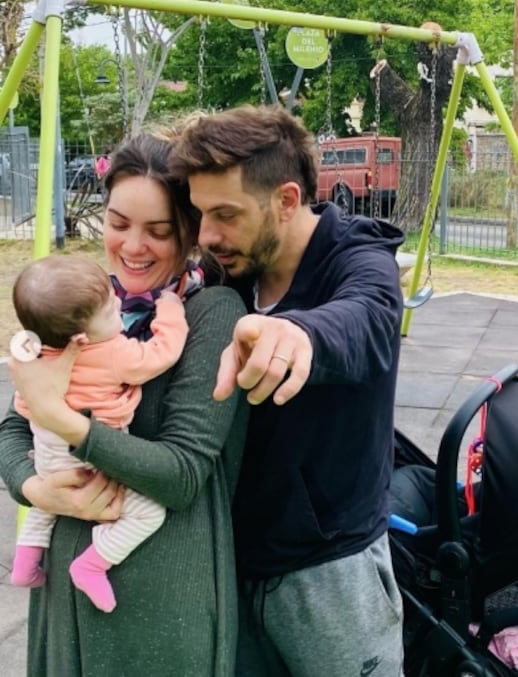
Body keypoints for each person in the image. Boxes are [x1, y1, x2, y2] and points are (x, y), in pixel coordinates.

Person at [168, 104, 406, 677]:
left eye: (225, 214)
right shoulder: (231, 268)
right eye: (201, 214)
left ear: (288, 200)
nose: (207, 236)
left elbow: (368, 320)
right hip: (231, 558)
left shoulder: (358, 259)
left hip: (328, 571)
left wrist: (298, 331)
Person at [0, 133, 249, 676]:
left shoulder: (208, 315)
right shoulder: (78, 307)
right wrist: (32, 485)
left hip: (158, 596)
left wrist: (63, 421)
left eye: (158, 232)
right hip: (65, 582)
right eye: (117, 224)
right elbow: (12, 428)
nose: (133, 246)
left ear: (188, 233)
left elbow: (182, 475)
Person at [10, 255, 188, 614]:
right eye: (110, 312)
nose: (120, 305)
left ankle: (25, 562)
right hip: (93, 454)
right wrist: (170, 309)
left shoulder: (39, 357)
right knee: (147, 513)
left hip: (45, 449)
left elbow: (22, 404)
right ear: (79, 337)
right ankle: (93, 563)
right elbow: (162, 353)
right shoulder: (111, 353)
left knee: (48, 501)